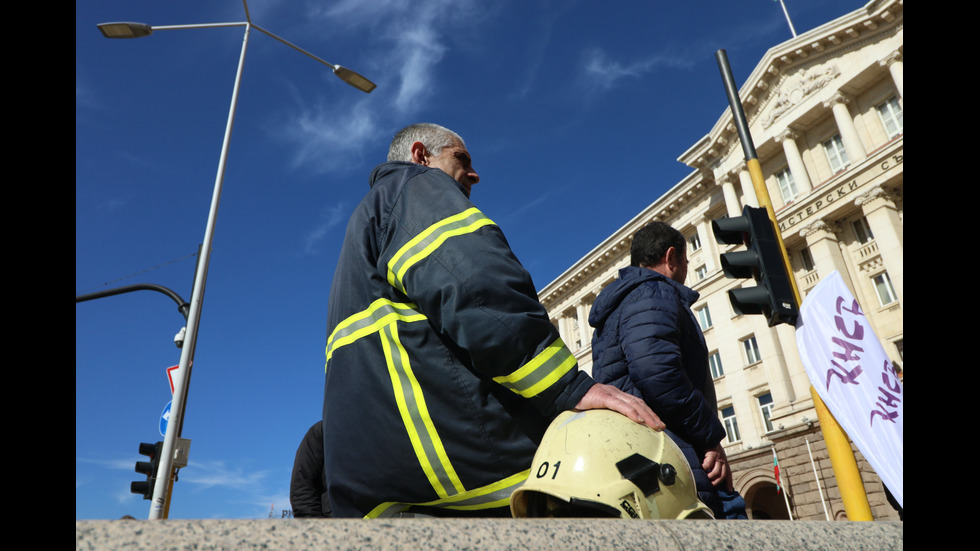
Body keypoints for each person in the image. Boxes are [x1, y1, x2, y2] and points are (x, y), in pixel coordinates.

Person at [321, 123, 662, 518]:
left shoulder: (363, 234)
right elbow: (477, 287)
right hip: (467, 482)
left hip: (387, 499)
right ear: (420, 156)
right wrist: (567, 387)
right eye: (460, 159)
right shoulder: (416, 189)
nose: (475, 174)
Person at [589, 221, 745, 519]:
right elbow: (659, 375)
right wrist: (709, 437)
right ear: (671, 257)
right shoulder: (654, 293)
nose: (686, 270)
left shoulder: (621, 305)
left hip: (644, 452)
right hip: (674, 453)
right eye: (686, 261)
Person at [290, 421, 331, 518]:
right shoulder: (321, 431)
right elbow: (302, 487)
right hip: (330, 527)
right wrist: (317, 528)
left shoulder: (372, 431)